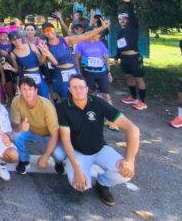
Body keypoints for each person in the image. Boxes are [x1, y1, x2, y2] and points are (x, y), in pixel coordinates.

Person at [57, 75, 140, 206]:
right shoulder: (63, 107)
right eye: (74, 87)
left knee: (126, 173)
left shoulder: (98, 103)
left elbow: (132, 128)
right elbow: (65, 139)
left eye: (81, 87)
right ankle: (74, 168)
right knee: (81, 186)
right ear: (69, 89)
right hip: (78, 151)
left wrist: (130, 161)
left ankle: (102, 184)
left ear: (87, 89)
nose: (78, 90)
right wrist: (77, 169)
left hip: (100, 149)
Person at [41, 19, 109, 100]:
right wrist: (45, 53)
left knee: (79, 93)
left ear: (54, 30)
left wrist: (101, 28)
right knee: (64, 97)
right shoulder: (46, 46)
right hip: (59, 73)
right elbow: (46, 62)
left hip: (73, 70)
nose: (49, 32)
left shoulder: (65, 40)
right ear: (44, 33)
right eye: (46, 31)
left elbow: (85, 36)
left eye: (51, 29)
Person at [11, 77, 66, 175]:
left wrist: (45, 157)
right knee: (15, 134)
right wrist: (20, 127)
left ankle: (58, 162)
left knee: (59, 155)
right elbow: (14, 125)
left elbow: (55, 135)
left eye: (30, 89)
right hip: (30, 130)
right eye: (24, 89)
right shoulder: (16, 101)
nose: (27, 93)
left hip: (47, 134)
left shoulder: (47, 106)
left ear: (36, 90)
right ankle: (24, 160)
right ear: (19, 90)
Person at [74, 33, 118, 130]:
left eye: (99, 35)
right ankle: (93, 117)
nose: (99, 37)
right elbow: (76, 58)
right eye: (98, 35)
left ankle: (112, 120)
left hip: (102, 73)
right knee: (91, 95)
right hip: (88, 73)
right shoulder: (81, 44)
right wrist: (78, 72)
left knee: (106, 95)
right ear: (91, 35)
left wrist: (109, 72)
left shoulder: (100, 44)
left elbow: (106, 58)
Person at [115, 0, 147, 110]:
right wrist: (117, 57)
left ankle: (142, 101)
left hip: (134, 58)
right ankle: (133, 97)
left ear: (128, 20)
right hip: (124, 58)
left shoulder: (133, 27)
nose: (122, 20)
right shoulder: (120, 32)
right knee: (129, 77)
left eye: (124, 18)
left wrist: (128, 3)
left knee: (139, 79)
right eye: (120, 19)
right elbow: (119, 46)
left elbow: (132, 15)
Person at [8, 31, 52, 98]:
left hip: (37, 74)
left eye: (18, 38)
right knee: (29, 97)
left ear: (21, 38)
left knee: (44, 94)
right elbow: (17, 69)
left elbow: (41, 61)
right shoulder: (12, 54)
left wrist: (44, 54)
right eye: (14, 39)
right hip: (25, 77)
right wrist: (11, 68)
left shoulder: (31, 46)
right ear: (11, 41)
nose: (17, 41)